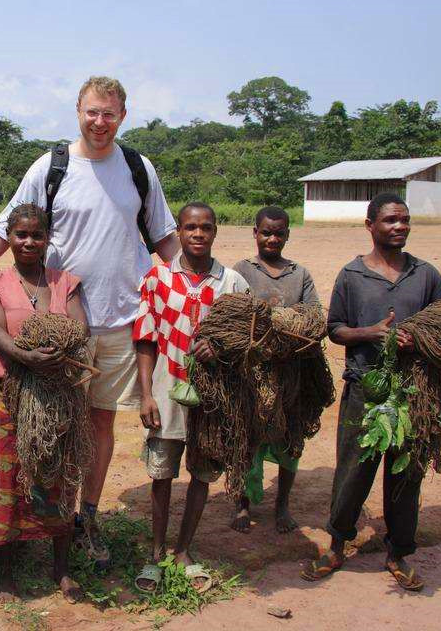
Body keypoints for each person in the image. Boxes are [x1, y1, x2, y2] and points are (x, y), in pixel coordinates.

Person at [0, 76, 179, 567]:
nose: (99, 122)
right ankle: (35, 515)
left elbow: (164, 237)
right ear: (77, 112)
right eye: (92, 112)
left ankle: (86, 517)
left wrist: (207, 283)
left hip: (125, 319)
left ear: (123, 115)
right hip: (60, 322)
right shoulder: (51, 167)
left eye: (109, 113)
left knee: (100, 423)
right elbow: (4, 227)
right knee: (50, 420)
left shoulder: (138, 168)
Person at [301, 193, 441, 592]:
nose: (399, 227)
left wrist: (418, 338)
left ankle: (399, 552)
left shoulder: (426, 274)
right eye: (389, 220)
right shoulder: (352, 275)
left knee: (406, 474)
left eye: (404, 220)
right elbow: (334, 329)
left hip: (414, 394)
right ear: (370, 225)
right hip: (364, 388)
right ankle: (337, 544)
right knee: (353, 470)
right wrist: (371, 333)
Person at [132, 202, 249, 593]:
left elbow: (246, 342)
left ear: (216, 232)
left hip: (215, 399)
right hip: (166, 391)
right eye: (190, 227)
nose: (198, 234)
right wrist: (146, 395)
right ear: (178, 232)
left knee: (201, 474)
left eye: (206, 228)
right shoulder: (158, 276)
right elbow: (146, 340)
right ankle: (156, 553)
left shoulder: (231, 283)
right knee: (161, 475)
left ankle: (184, 551)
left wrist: (223, 350)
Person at [0, 203, 88, 603]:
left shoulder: (65, 281)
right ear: (8, 237)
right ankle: (6, 573)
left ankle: (60, 568)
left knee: (59, 477)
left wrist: (58, 347)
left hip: (59, 398)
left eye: (36, 235)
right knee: (6, 482)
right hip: (12, 396)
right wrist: (24, 355)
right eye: (20, 234)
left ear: (48, 238)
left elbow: (80, 328)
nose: (28, 242)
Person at [230, 205, 319, 534]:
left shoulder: (300, 274)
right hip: (250, 373)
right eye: (266, 232)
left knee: (289, 438)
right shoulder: (242, 270)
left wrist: (277, 321)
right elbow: (234, 314)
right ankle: (242, 504)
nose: (272, 238)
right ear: (255, 233)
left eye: (279, 233)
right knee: (245, 438)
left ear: (287, 235)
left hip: (290, 372)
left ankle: (282, 506)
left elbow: (313, 317)